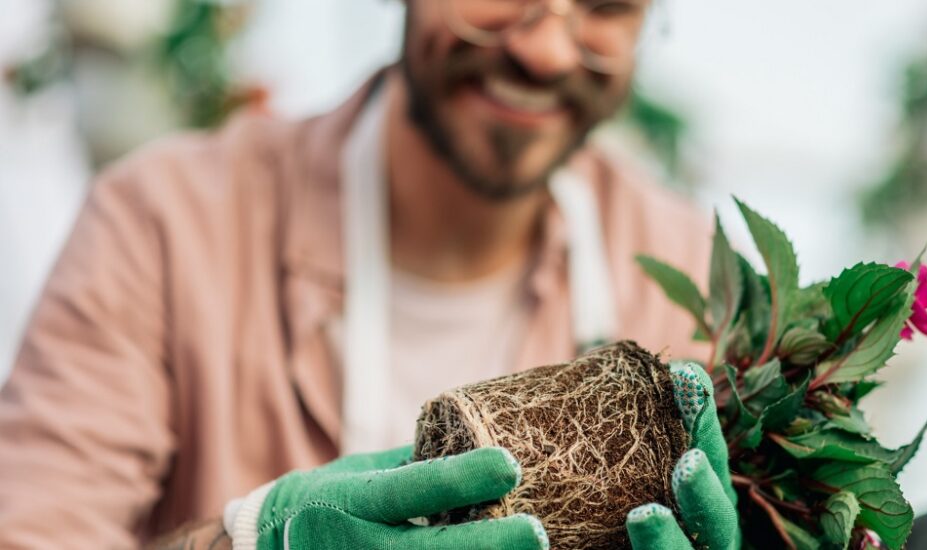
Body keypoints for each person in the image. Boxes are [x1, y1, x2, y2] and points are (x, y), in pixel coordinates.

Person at [0, 0, 727, 547]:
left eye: (605, 4)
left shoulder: (682, 274)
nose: (543, 51)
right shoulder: (165, 227)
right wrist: (247, 538)